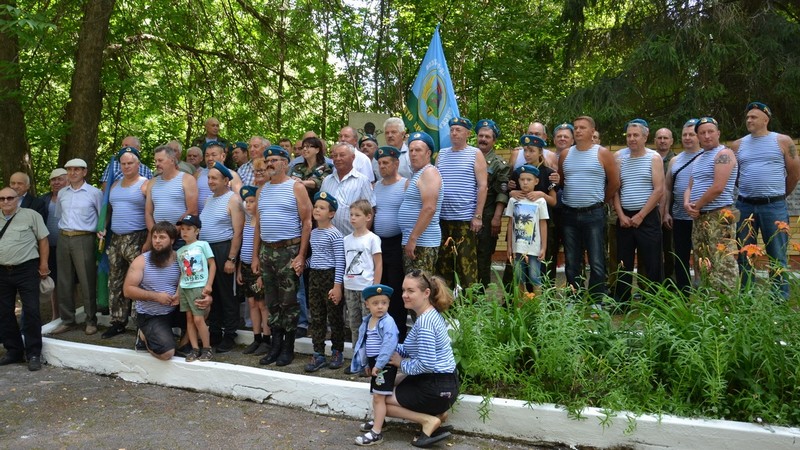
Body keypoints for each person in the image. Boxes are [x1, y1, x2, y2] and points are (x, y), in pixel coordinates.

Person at [730, 102, 799, 301]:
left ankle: (779, 300)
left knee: (777, 255)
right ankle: (747, 298)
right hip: (745, 206)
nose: (749, 120)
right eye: (747, 117)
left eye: (753, 117)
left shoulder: (783, 141)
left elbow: (794, 174)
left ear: (766, 120)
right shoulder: (738, 145)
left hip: (773, 207)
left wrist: (778, 195)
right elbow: (735, 175)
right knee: (745, 255)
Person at [382, 269, 458, 447]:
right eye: (403, 290)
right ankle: (438, 415)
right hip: (444, 384)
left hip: (435, 388)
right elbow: (411, 349)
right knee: (390, 383)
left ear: (426, 293)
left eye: (410, 291)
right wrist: (387, 345)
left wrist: (401, 363)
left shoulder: (424, 323)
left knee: (382, 399)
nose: (404, 295)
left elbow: (427, 364)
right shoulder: (429, 315)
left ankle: (428, 420)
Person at [254, 145, 312, 367]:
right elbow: (258, 226)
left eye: (275, 160)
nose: (270, 164)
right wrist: (256, 256)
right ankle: (275, 346)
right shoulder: (262, 190)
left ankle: (288, 348)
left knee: (289, 302)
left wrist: (301, 255)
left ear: (286, 163)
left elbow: (307, 223)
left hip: (289, 251)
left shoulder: (296, 187)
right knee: (272, 301)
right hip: (267, 251)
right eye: (268, 161)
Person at [123, 221, 206, 360]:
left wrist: (201, 296)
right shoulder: (141, 261)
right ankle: (143, 336)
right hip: (151, 314)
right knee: (166, 354)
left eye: (162, 237)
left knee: (204, 306)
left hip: (175, 309)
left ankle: (184, 344)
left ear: (172, 240)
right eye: (154, 237)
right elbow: (128, 290)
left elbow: (195, 281)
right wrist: (156, 297)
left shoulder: (181, 258)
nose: (157, 241)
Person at [558, 116, 619, 301]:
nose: (577, 130)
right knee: (571, 260)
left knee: (596, 259)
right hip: (569, 214)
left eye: (582, 127)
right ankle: (573, 297)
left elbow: (614, 182)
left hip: (594, 214)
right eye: (575, 127)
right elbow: (562, 181)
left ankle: (596, 299)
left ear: (592, 131)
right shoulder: (565, 154)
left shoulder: (602, 153)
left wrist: (601, 201)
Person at [684, 117, 738, 294]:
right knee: (702, 261)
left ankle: (727, 303)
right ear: (698, 136)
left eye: (710, 132)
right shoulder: (699, 158)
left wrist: (697, 206)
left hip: (718, 216)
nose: (707, 136)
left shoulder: (724, 154)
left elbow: (718, 187)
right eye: (702, 133)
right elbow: (690, 186)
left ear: (718, 133)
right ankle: (707, 300)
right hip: (700, 217)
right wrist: (687, 203)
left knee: (722, 261)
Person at [613, 119, 664, 306]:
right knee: (623, 261)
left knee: (652, 261)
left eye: (636, 135)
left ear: (645, 137)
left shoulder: (654, 158)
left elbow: (659, 190)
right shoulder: (619, 159)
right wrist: (621, 215)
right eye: (629, 135)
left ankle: (656, 301)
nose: (632, 139)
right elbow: (615, 190)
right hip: (625, 217)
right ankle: (622, 302)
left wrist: (641, 215)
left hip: (647, 217)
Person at [51, 158, 102, 336]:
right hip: (64, 237)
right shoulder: (62, 193)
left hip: (84, 238)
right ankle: (67, 320)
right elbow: (60, 215)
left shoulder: (94, 193)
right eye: (69, 170)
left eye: (77, 169)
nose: (73, 173)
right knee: (64, 280)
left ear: (84, 172)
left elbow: (102, 216)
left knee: (87, 280)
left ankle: (91, 320)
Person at [101, 147, 149, 339]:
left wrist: (149, 239)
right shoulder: (114, 185)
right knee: (115, 280)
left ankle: (140, 323)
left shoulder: (145, 185)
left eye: (130, 163)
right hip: (116, 238)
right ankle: (118, 321)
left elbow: (151, 211)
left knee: (138, 281)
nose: (127, 166)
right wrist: (103, 227)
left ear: (138, 164)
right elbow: (109, 210)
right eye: (123, 163)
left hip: (137, 237)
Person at [0, 187, 49, 371]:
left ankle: (34, 353)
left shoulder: (31, 215)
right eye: (2, 198)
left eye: (10, 198)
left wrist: (43, 264)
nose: (6, 201)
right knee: (4, 312)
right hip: (2, 271)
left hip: (26, 269)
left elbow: (43, 240)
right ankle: (13, 351)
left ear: (17, 199)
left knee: (31, 311)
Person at [435, 117, 488, 290]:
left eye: (458, 130)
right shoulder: (442, 154)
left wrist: (478, 216)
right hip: (443, 219)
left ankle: (469, 304)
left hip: (465, 219)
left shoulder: (475, 154)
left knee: (466, 267)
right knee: (444, 265)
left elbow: (482, 186)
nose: (454, 133)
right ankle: (447, 303)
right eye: (452, 130)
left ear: (468, 133)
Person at [199, 162, 244, 353]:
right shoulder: (208, 200)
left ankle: (230, 334)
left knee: (227, 294)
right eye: (209, 178)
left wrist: (231, 258)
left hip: (224, 250)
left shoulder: (233, 199)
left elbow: (238, 232)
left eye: (214, 178)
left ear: (226, 180)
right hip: (207, 251)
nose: (210, 181)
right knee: (213, 293)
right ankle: (215, 331)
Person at [351, 284, 400, 446]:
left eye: (384, 303)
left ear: (388, 304)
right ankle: (380, 421)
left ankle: (377, 433)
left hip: (384, 364)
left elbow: (388, 344)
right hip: (375, 363)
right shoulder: (368, 321)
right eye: (375, 303)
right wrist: (366, 363)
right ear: (367, 304)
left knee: (379, 397)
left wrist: (379, 365)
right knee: (377, 395)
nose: (380, 306)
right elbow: (364, 344)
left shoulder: (388, 322)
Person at [303, 191, 346, 372]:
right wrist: (302, 264)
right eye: (316, 207)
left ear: (331, 213)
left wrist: (337, 286)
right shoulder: (313, 233)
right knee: (317, 316)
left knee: (334, 316)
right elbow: (316, 257)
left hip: (330, 277)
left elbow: (340, 261)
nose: (317, 210)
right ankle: (318, 352)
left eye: (322, 208)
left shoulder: (335, 234)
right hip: (315, 276)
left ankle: (337, 351)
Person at [508, 135, 558, 283]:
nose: (527, 154)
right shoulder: (518, 172)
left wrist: (541, 194)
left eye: (531, 151)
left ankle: (543, 296)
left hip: (542, 225)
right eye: (525, 150)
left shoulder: (548, 173)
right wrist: (512, 192)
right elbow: (510, 193)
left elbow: (554, 201)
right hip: (521, 228)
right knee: (518, 270)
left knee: (540, 269)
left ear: (540, 152)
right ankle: (520, 296)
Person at [372, 146, 408, 342]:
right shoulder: (376, 186)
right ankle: (382, 332)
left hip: (397, 243)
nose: (382, 166)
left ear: (396, 164)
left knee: (395, 288)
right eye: (379, 163)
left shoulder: (405, 184)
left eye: (386, 162)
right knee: (380, 287)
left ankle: (399, 334)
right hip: (378, 244)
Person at [663, 119, 701, 294]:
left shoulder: (707, 156)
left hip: (701, 216)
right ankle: (683, 292)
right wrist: (666, 212)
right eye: (684, 135)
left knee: (702, 256)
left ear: (698, 136)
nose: (687, 138)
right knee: (681, 256)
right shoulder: (675, 160)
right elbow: (667, 188)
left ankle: (702, 290)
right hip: (679, 216)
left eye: (691, 134)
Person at [399, 132, 443, 275]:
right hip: (414, 241)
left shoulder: (429, 172)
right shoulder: (418, 174)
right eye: (411, 150)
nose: (413, 154)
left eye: (418, 150)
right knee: (412, 284)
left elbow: (429, 208)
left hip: (422, 243)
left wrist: (413, 238)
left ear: (428, 153)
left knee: (420, 284)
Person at [473, 119, 510, 288]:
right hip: (467, 214)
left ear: (494, 141)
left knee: (483, 256)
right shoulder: (468, 157)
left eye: (487, 137)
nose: (483, 139)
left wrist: (497, 218)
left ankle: (480, 293)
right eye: (481, 135)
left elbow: (502, 192)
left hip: (487, 216)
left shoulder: (499, 164)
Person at [176, 214, 215, 362]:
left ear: (197, 231)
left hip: (199, 286)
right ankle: (194, 349)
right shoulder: (180, 251)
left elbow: (212, 265)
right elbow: (182, 273)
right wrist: (178, 292)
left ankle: (207, 348)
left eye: (189, 229)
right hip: (185, 287)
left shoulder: (203, 245)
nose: (184, 232)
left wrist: (209, 284)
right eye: (182, 229)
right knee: (189, 319)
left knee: (199, 319)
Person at [344, 199, 383, 346]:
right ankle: (357, 355)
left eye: (357, 215)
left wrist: (375, 286)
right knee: (354, 324)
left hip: (366, 287)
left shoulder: (372, 239)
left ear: (368, 217)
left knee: (369, 324)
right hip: (350, 286)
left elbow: (378, 264)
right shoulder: (346, 239)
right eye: (351, 214)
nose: (353, 218)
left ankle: (369, 356)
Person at [505, 165, 549, 293]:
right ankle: (519, 304)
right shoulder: (513, 200)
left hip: (534, 248)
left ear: (536, 181)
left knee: (535, 277)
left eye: (529, 180)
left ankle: (537, 304)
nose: (525, 182)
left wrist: (543, 247)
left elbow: (543, 224)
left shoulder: (540, 201)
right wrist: (509, 246)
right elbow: (510, 223)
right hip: (518, 247)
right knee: (518, 277)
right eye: (522, 179)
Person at [145, 145, 199, 248]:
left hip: (181, 237)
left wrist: (171, 233)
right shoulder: (152, 183)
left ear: (172, 160)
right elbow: (148, 213)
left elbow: (192, 211)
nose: (157, 164)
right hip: (157, 239)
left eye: (160, 160)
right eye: (155, 161)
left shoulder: (187, 179)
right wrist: (156, 235)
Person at [238, 186, 271, 356]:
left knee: (262, 304)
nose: (248, 205)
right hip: (245, 267)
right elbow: (243, 247)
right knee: (251, 303)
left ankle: (266, 338)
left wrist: (261, 273)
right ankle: (256, 337)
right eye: (246, 202)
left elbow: (263, 249)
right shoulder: (246, 222)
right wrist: (239, 270)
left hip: (257, 268)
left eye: (252, 201)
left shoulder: (262, 223)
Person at [320, 142, 375, 235]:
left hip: (352, 237)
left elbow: (369, 210)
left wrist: (362, 237)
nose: (338, 158)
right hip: (328, 237)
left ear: (353, 157)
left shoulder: (362, 181)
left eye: (342, 155)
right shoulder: (327, 180)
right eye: (335, 156)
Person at [39, 168, 67, 321]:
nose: (56, 182)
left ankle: (70, 312)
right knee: (53, 280)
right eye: (53, 179)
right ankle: (56, 314)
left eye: (59, 179)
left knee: (69, 280)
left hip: (68, 244)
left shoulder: (72, 197)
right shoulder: (43, 199)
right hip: (49, 246)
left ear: (67, 180)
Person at [654, 127, 676, 282]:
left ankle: (671, 283)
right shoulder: (648, 158)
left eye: (665, 138)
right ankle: (653, 284)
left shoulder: (677, 160)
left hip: (671, 212)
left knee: (670, 249)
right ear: (654, 140)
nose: (662, 141)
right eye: (659, 138)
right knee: (652, 250)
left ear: (671, 141)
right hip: (650, 211)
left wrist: (666, 211)